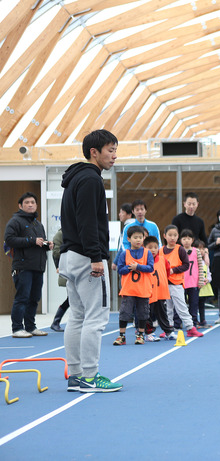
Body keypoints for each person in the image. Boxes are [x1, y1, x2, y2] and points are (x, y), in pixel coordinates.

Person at [59, 129, 122, 392]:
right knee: (96, 318)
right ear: (94, 152)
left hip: (70, 256)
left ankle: (75, 375)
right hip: (87, 259)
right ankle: (89, 376)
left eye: (116, 150)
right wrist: (97, 257)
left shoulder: (76, 179)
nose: (115, 156)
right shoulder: (90, 180)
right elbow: (87, 222)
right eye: (110, 150)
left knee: (77, 316)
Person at [4, 191, 52, 338]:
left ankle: (30, 327)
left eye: (32, 202)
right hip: (22, 267)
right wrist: (32, 241)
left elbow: (38, 242)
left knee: (34, 298)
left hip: (38, 266)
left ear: (36, 205)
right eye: (27, 203)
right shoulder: (15, 221)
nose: (30, 205)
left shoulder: (38, 224)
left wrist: (46, 244)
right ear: (20, 205)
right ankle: (17, 328)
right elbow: (9, 240)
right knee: (22, 298)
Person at [113, 225, 154, 346]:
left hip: (143, 289)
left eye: (140, 237)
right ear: (129, 239)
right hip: (128, 289)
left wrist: (138, 267)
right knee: (125, 312)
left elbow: (151, 268)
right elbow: (120, 270)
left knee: (143, 312)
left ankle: (140, 335)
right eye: (135, 237)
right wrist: (129, 268)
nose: (138, 240)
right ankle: (122, 336)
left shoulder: (147, 253)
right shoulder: (124, 254)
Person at [160, 224, 203, 338]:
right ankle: (168, 329)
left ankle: (190, 327)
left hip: (176, 283)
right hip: (164, 284)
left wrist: (174, 270)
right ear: (165, 236)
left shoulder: (180, 249)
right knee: (167, 308)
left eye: (175, 235)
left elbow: (186, 265)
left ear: (178, 236)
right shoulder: (161, 251)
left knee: (181, 307)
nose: (172, 237)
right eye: (170, 235)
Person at [144, 236, 175, 340]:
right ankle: (149, 333)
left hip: (161, 292)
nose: (153, 250)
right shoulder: (143, 261)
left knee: (162, 313)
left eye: (155, 247)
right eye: (150, 247)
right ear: (144, 248)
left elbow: (167, 272)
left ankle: (168, 332)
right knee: (148, 313)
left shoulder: (163, 259)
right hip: (148, 292)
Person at [180, 229, 204, 327]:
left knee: (194, 303)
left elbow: (200, 266)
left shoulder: (196, 251)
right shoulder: (179, 251)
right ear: (180, 240)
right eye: (184, 238)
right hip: (182, 282)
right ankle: (179, 323)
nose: (186, 241)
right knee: (181, 304)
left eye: (189, 238)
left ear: (192, 240)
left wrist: (201, 280)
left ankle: (193, 322)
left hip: (194, 282)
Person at [50, 228, 70, 332]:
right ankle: (56, 322)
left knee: (73, 298)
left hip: (74, 269)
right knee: (72, 298)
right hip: (66, 269)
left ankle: (56, 322)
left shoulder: (74, 231)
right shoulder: (60, 234)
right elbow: (56, 252)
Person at [111, 203, 134, 271]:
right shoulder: (133, 226)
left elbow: (123, 246)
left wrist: (115, 261)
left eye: (122, 212)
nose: (119, 214)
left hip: (126, 261)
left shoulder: (128, 227)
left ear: (129, 215)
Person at [196, 239, 213, 328]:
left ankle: (203, 320)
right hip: (196, 287)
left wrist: (208, 279)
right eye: (198, 249)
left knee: (202, 305)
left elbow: (209, 273)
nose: (201, 251)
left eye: (202, 249)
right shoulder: (194, 262)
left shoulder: (205, 262)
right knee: (194, 305)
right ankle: (194, 321)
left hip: (204, 287)